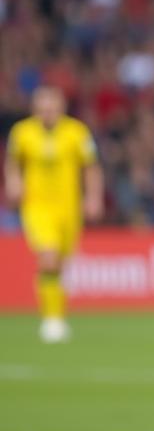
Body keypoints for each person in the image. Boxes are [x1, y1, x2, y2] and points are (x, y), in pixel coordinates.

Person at [4, 86, 103, 343]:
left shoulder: (76, 132)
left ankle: (57, 315)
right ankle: (52, 320)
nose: (47, 112)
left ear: (61, 108)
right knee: (48, 256)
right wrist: (13, 181)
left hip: (68, 208)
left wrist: (93, 197)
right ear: (35, 109)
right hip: (36, 207)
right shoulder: (22, 132)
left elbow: (91, 167)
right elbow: (12, 161)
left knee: (60, 263)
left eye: (52, 107)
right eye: (42, 107)